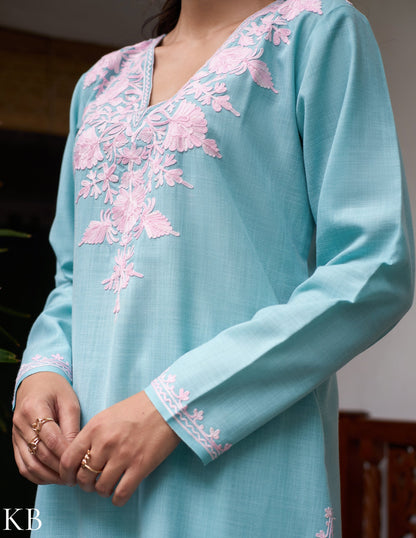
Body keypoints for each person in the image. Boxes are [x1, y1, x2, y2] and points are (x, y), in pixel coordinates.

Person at [12, 0, 414, 536]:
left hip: (231, 466)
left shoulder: (315, 35)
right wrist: (41, 373)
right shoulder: (99, 83)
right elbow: (73, 279)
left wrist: (173, 408)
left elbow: (373, 265)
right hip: (83, 473)